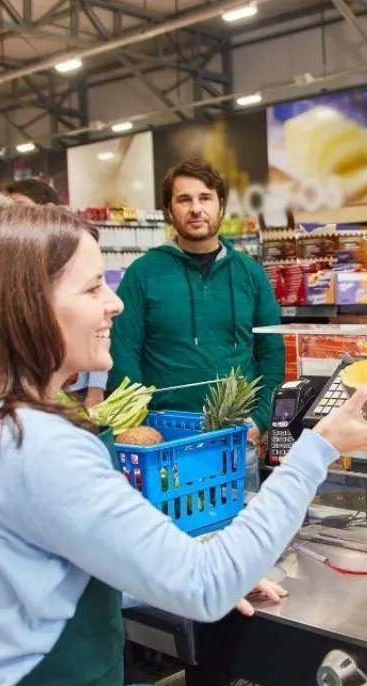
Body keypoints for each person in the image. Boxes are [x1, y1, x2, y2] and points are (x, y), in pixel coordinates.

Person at [0, 204, 367, 686]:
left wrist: (156, 571)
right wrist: (319, 447)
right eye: (92, 286)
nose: (115, 303)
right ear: (27, 307)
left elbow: (34, 575)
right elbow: (206, 586)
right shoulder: (35, 443)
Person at [109, 159, 283, 460]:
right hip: (164, 440)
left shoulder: (251, 274)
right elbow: (123, 355)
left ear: (221, 205)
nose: (195, 208)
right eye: (183, 199)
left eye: (205, 198)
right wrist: (136, 425)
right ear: (169, 210)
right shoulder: (142, 274)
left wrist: (261, 419)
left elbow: (272, 352)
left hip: (237, 435)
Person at [4, 178, 107, 407]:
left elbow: (99, 330)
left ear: (50, 210)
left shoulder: (75, 256)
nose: (114, 304)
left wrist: (96, 388)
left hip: (72, 390)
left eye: (21, 207)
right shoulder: (9, 273)